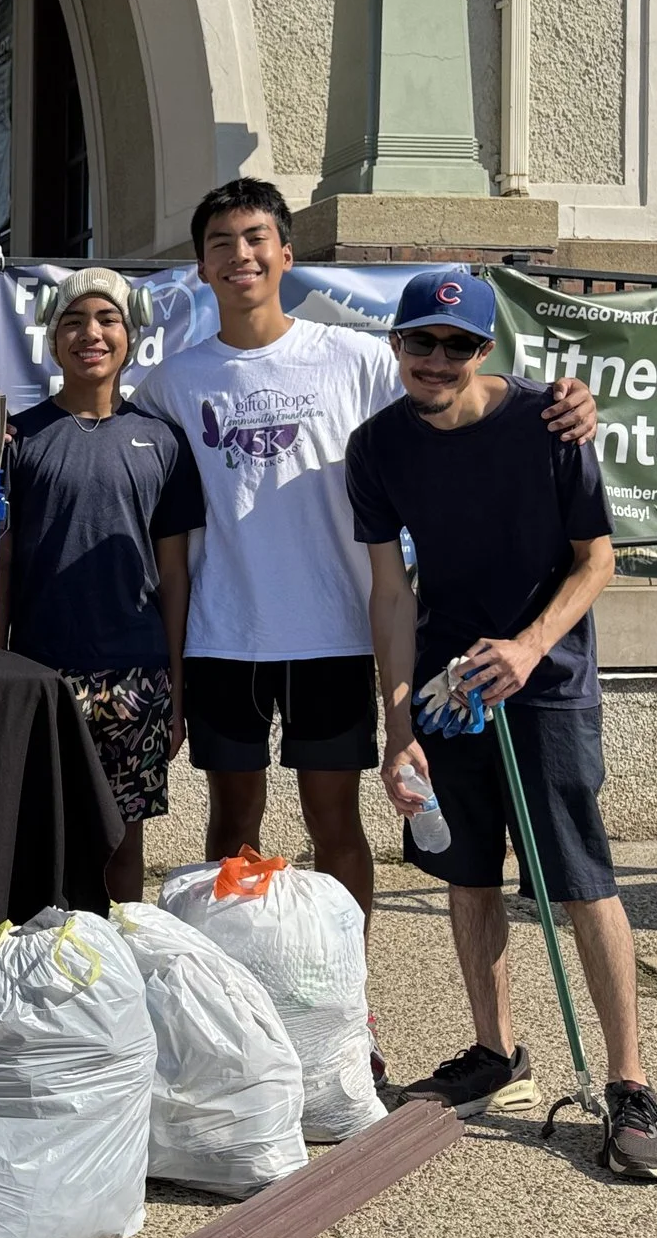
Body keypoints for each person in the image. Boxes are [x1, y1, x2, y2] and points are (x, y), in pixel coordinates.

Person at [141, 179, 596, 930]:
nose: (239, 255)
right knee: (230, 828)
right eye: (220, 243)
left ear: (287, 254)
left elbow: (460, 385)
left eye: (256, 238)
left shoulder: (351, 357)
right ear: (201, 267)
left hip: (333, 632)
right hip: (225, 637)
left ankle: (345, 1004)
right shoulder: (173, 382)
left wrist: (566, 398)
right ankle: (232, 998)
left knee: (335, 825)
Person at [351, 267, 657, 1181]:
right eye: (422, 340)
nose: (437, 358)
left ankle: (630, 1084)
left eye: (457, 344)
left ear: (485, 351)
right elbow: (390, 590)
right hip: (452, 686)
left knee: (580, 876)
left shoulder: (549, 421)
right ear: (397, 345)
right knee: (465, 870)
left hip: (547, 678)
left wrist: (531, 647)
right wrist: (398, 715)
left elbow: (597, 560)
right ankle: (497, 1053)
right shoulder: (375, 448)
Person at [1, 267, 203, 904]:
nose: (91, 333)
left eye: (107, 319)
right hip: (41, 677)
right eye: (74, 321)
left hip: (135, 679)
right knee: (39, 840)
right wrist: (0, 663)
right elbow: (2, 563)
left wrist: (175, 685)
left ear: (131, 334)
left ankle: (118, 978)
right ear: (53, 339)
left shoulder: (163, 443)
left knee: (122, 848)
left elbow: (174, 574)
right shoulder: (16, 439)